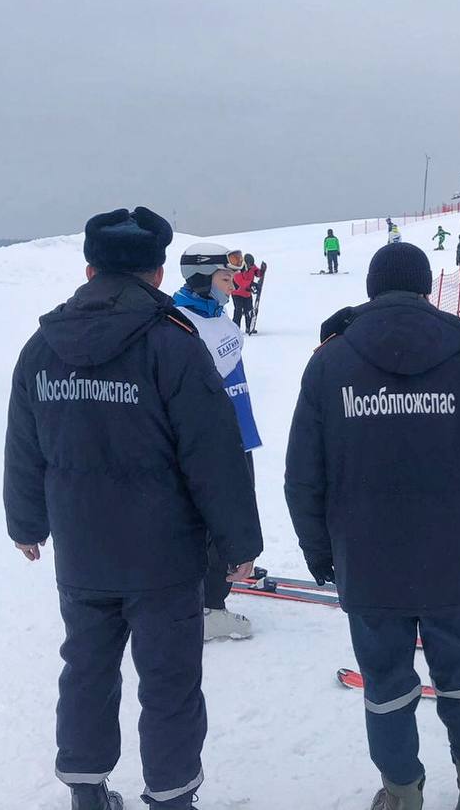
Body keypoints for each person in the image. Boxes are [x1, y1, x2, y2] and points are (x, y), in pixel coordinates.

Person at [3, 207, 262, 810]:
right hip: (163, 557)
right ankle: (171, 799)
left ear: (90, 268)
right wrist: (238, 544)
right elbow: (214, 454)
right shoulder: (174, 344)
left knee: (87, 672)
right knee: (169, 681)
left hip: (82, 550)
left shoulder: (42, 347)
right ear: (158, 270)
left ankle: (87, 794)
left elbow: (23, 444)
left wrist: (25, 522)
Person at [285, 242, 460, 810]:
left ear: (371, 290)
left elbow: (304, 471)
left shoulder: (330, 360)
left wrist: (320, 551)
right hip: (453, 550)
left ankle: (401, 794)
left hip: (367, 555)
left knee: (385, 679)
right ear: (426, 289)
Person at [173, 242, 264, 641]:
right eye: (225, 278)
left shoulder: (216, 316)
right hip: (210, 438)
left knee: (235, 513)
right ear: (201, 279)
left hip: (238, 430)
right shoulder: (181, 322)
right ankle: (209, 604)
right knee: (211, 518)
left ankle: (224, 574)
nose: (232, 285)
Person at [231, 254, 264, 335]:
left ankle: (249, 327)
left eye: (251, 265)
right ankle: (235, 329)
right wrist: (252, 284)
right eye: (249, 265)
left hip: (247, 294)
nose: (250, 267)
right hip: (237, 294)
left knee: (249, 311)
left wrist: (262, 271)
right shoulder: (238, 269)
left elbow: (257, 272)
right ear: (244, 263)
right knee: (238, 311)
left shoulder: (252, 267)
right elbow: (241, 282)